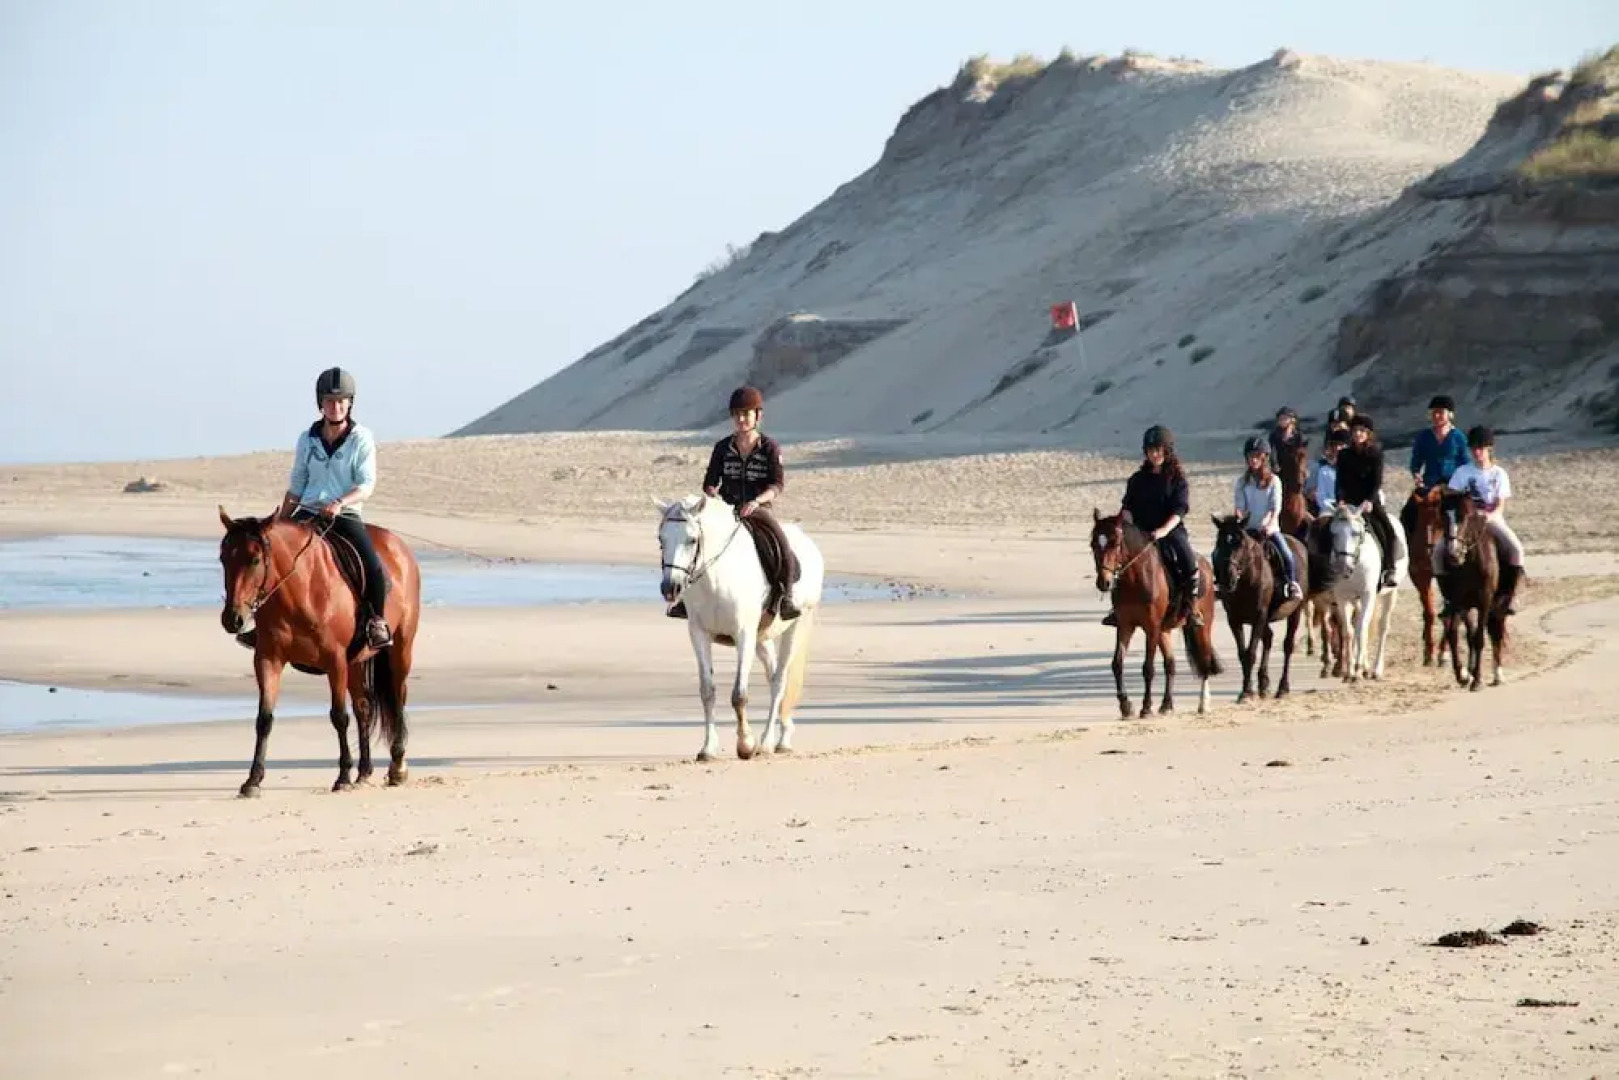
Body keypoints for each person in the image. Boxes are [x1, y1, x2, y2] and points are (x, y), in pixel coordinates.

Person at [239, 367, 391, 651]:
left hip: (344, 514)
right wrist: (281, 520)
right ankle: (261, 624)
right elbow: (297, 484)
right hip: (307, 511)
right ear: (320, 403)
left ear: (350, 403)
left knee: (372, 565)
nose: (335, 406)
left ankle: (377, 622)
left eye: (341, 401)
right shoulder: (307, 439)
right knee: (273, 559)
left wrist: (340, 503)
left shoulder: (361, 438)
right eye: (330, 401)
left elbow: (366, 484)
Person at [667, 385, 802, 622]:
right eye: (737, 414)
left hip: (757, 509)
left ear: (757, 416)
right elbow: (710, 483)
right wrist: (713, 497)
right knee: (695, 547)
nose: (741, 419)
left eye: (746, 414)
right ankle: (686, 601)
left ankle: (785, 597)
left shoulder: (770, 448)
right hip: (725, 510)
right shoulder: (722, 448)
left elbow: (777, 485)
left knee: (781, 545)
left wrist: (757, 501)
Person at [1102, 425, 1202, 628]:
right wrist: (1126, 523)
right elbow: (1128, 507)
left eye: (1158, 450)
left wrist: (1163, 530)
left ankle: (1191, 608)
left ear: (1167, 450)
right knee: (1118, 562)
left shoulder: (1177, 480)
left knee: (1188, 560)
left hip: (1169, 530)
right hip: (1140, 532)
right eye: (1150, 450)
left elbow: (1180, 510)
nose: (1154, 454)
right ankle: (1117, 608)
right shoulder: (1137, 480)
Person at [1439, 425, 1525, 616]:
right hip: (1467, 523)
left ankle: (1510, 596)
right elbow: (1452, 498)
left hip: (1492, 520)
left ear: (1489, 449)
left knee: (1517, 550)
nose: (1477, 452)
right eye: (1474, 448)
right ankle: (1447, 598)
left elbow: (1500, 504)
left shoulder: (1498, 474)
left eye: (1481, 448)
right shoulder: (1463, 472)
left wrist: (1490, 516)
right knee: (1438, 552)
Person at [1333, 414, 1402, 589]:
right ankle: (1326, 571)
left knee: (1388, 530)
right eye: (1355, 430)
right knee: (1327, 529)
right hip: (1348, 502)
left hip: (1369, 502)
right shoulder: (1344, 455)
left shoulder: (1376, 454)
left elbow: (1377, 481)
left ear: (1368, 434)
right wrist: (1340, 499)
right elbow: (1340, 481)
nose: (1358, 434)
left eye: (1362, 431)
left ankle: (1389, 568)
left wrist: (1369, 501)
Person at [1233, 437, 1303, 601]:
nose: (1254, 460)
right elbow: (1240, 505)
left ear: (1264, 458)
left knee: (1287, 554)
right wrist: (1239, 515)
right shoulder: (1242, 482)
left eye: (1257, 456)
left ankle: (1291, 583)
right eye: (1251, 456)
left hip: (1269, 529)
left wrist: (1268, 522)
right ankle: (1224, 585)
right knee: (1227, 553)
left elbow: (1275, 507)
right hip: (1247, 529)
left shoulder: (1274, 481)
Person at [1401, 393, 1470, 541]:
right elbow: (1416, 461)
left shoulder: (1459, 437)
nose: (1437, 416)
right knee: (1409, 510)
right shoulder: (1424, 436)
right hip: (1430, 484)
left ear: (1450, 414)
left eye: (1441, 412)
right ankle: (1407, 545)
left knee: (1466, 511)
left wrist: (1461, 483)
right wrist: (1416, 475)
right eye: (1434, 412)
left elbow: (1465, 463)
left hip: (1453, 486)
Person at [1305, 427, 1348, 515]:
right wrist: (1333, 506)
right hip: (1330, 510)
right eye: (1335, 445)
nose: (1338, 448)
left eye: (1342, 445)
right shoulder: (1324, 470)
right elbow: (1321, 496)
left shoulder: (1358, 466)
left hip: (1353, 508)